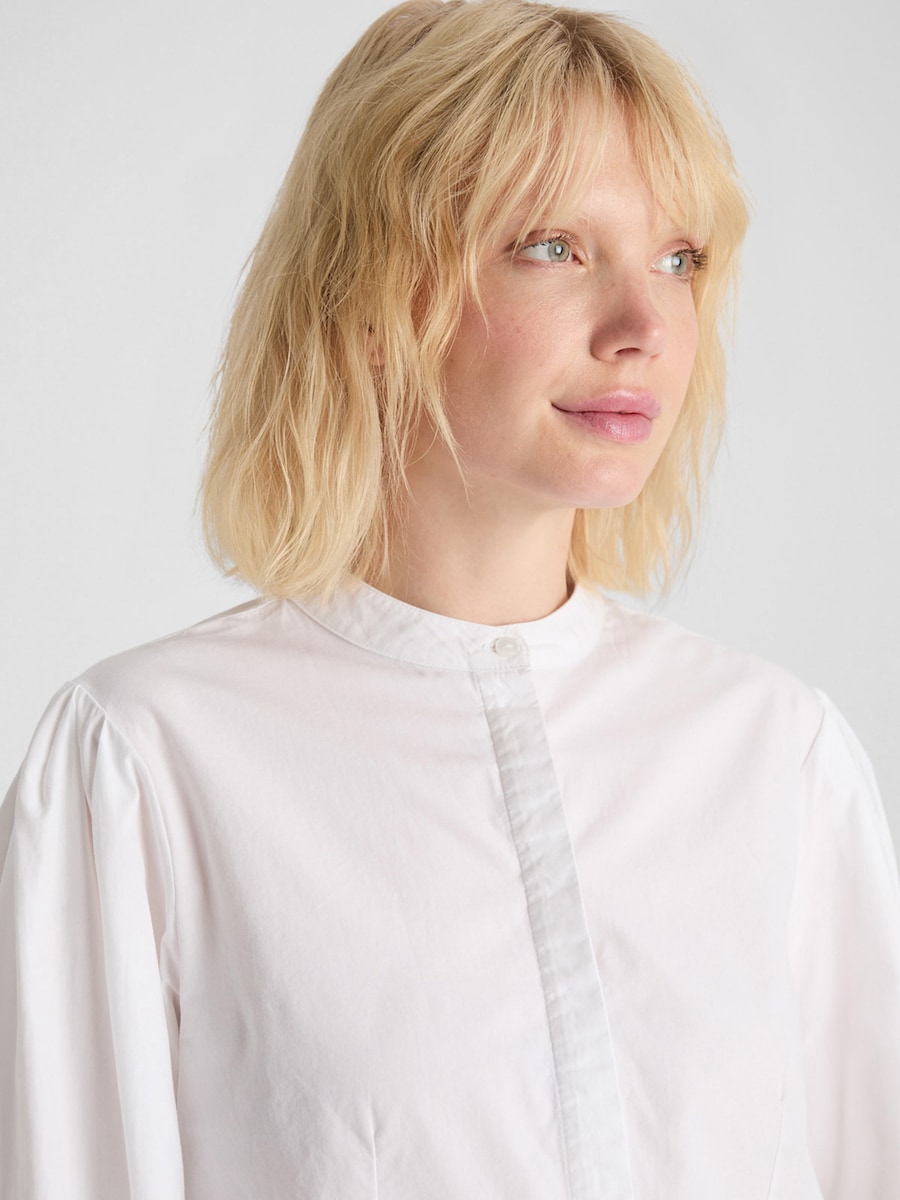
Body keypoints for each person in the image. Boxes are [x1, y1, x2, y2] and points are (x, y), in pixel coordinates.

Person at [2, 0, 898, 1196]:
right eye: (554, 247)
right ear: (376, 297)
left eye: (679, 260)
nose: (645, 326)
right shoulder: (144, 763)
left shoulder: (778, 754)